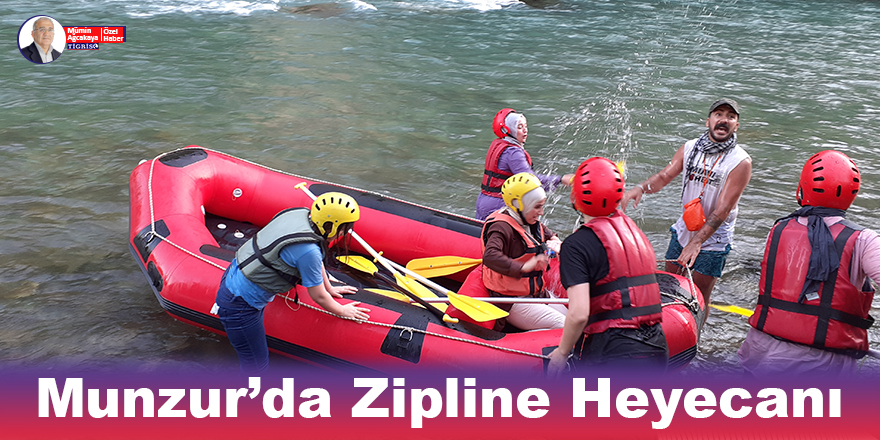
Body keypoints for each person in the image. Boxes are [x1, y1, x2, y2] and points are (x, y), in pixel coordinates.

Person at [738, 150, 880, 377]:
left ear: (803, 188)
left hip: (759, 354)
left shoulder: (778, 229)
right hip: (823, 365)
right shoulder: (864, 240)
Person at [215, 192, 371, 375]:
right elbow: (318, 295)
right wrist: (343, 311)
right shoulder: (308, 251)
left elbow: (315, 253)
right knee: (257, 367)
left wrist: (328, 286)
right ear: (332, 226)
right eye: (343, 229)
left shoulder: (301, 216)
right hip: (240, 306)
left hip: (233, 277)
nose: (343, 234)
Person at [619, 98, 752, 310]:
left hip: (714, 241)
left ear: (736, 125)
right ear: (708, 121)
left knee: (699, 297)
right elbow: (664, 176)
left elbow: (723, 210)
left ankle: (696, 331)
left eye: (730, 117)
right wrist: (641, 188)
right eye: (718, 114)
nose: (724, 120)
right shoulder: (690, 148)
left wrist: (696, 243)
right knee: (669, 287)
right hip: (683, 230)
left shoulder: (740, 161)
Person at [547, 157, 667, 375]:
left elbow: (579, 314)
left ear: (574, 197)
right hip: (657, 345)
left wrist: (562, 352)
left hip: (614, 350)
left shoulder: (576, 245)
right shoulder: (634, 233)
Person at [461, 172, 567, 330]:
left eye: (542, 206)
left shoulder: (528, 219)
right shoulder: (501, 227)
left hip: (535, 294)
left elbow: (546, 233)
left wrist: (555, 240)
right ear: (518, 205)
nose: (541, 212)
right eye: (537, 207)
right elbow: (490, 256)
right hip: (512, 300)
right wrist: (524, 267)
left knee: (576, 321)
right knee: (565, 326)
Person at [476, 108, 574, 220]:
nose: (525, 130)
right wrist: (560, 180)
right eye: (519, 127)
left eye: (525, 126)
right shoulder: (513, 153)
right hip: (499, 204)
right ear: (508, 130)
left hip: (483, 199)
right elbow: (529, 181)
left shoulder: (499, 144)